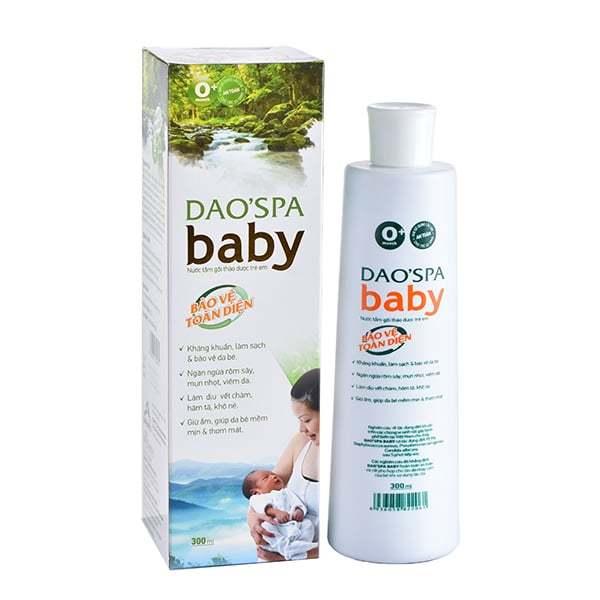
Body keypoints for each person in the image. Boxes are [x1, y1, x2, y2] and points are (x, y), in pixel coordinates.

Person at [247, 368, 320, 561]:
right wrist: (253, 520)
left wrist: (289, 558)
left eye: (306, 420)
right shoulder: (300, 443)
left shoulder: (351, 458)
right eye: (299, 420)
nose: (302, 428)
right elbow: (263, 491)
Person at [242, 470, 317, 561]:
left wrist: (298, 510)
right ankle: (284, 546)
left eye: (273, 474)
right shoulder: (257, 498)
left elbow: (296, 502)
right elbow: (261, 507)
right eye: (266, 478)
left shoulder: (286, 492)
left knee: (307, 524)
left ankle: (300, 545)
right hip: (275, 524)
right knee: (266, 527)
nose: (273, 476)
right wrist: (275, 512)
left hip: (293, 523)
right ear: (256, 492)